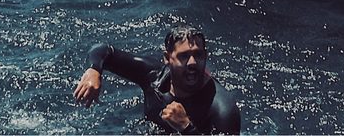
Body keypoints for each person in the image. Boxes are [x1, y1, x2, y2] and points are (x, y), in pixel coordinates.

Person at [74, 26, 243, 135]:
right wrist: (94, 69)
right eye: (184, 56)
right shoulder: (154, 77)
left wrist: (186, 128)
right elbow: (103, 50)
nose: (192, 63)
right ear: (167, 59)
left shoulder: (222, 108)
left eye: (198, 55)